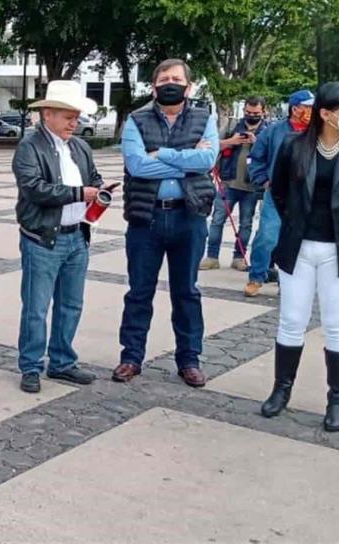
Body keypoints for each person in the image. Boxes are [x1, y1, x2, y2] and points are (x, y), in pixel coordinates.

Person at [113, 59, 219, 387]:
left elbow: (207, 160)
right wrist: (186, 159)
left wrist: (161, 154)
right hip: (147, 217)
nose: (169, 83)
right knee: (139, 292)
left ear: (189, 87)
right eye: (163, 79)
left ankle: (189, 359)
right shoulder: (136, 119)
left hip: (189, 216)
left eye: (176, 79)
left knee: (186, 292)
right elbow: (137, 165)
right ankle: (131, 356)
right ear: (153, 85)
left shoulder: (205, 118)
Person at [262, 81, 339, 433]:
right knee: (291, 320)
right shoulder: (294, 147)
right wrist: (296, 225)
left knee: (338, 325)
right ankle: (281, 390)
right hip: (298, 246)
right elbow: (280, 192)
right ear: (326, 114)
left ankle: (337, 400)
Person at [12, 81, 106, 394]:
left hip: (77, 235)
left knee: (71, 304)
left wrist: (101, 191)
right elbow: (34, 188)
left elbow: (94, 179)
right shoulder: (30, 146)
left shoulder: (79, 147)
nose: (74, 122)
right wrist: (80, 192)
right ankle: (31, 365)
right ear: (47, 113)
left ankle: (63, 361)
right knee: (36, 307)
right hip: (42, 237)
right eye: (68, 116)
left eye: (76, 116)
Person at [244, 89, 315, 297]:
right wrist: (263, 180)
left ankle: (289, 282)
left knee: (300, 241)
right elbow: (255, 158)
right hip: (277, 193)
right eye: (308, 107)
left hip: (307, 195)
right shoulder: (274, 131)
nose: (311, 111)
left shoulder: (318, 132)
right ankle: (257, 276)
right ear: (295, 108)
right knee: (268, 236)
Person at [200, 96, 268, 272]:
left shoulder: (268, 131)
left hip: (252, 187)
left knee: (246, 224)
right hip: (227, 183)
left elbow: (273, 153)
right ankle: (212, 256)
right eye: (248, 112)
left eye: (256, 113)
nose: (251, 115)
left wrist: (257, 142)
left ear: (263, 112)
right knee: (217, 220)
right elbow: (212, 146)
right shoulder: (231, 127)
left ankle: (239, 257)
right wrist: (232, 141)